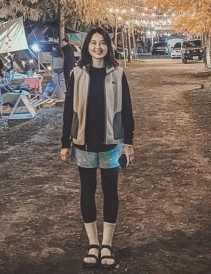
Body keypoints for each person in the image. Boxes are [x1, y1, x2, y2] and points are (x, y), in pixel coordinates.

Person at [60, 27, 135, 269]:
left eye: (102, 43)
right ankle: (93, 243)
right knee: (87, 191)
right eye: (93, 43)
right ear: (87, 47)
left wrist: (129, 142)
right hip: (83, 143)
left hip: (111, 144)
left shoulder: (118, 73)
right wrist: (65, 143)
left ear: (108, 47)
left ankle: (107, 245)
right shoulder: (77, 73)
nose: (98, 47)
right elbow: (68, 110)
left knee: (110, 191)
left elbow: (127, 109)